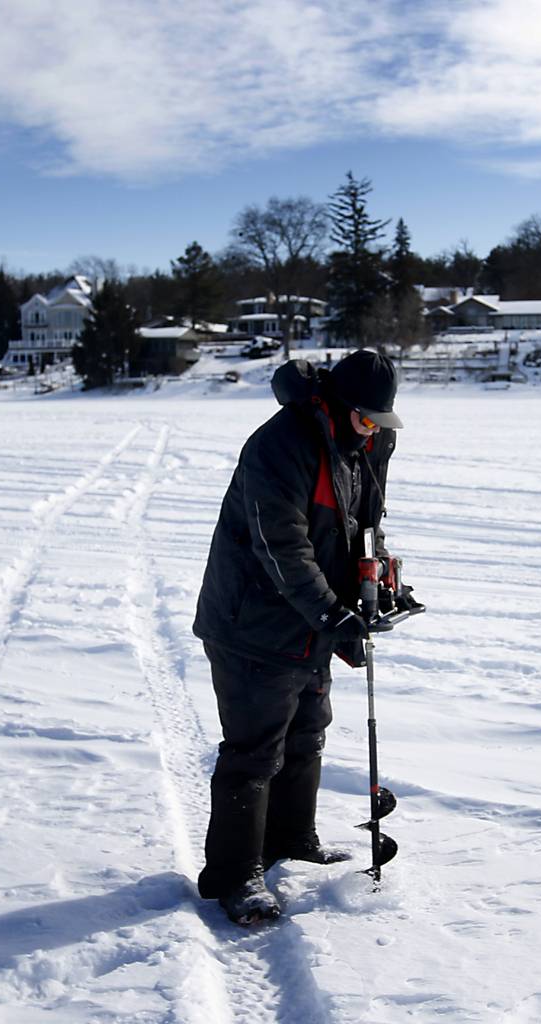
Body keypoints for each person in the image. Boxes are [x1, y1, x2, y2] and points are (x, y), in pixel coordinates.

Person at [192, 349, 411, 925]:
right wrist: (331, 614)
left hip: (309, 618)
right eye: (366, 419)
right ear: (339, 405)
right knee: (255, 749)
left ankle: (291, 841)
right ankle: (235, 875)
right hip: (253, 622)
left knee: (308, 730)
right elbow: (280, 547)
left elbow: (365, 524)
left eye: (380, 422)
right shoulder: (280, 445)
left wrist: (380, 580)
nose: (373, 431)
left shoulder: (366, 442)